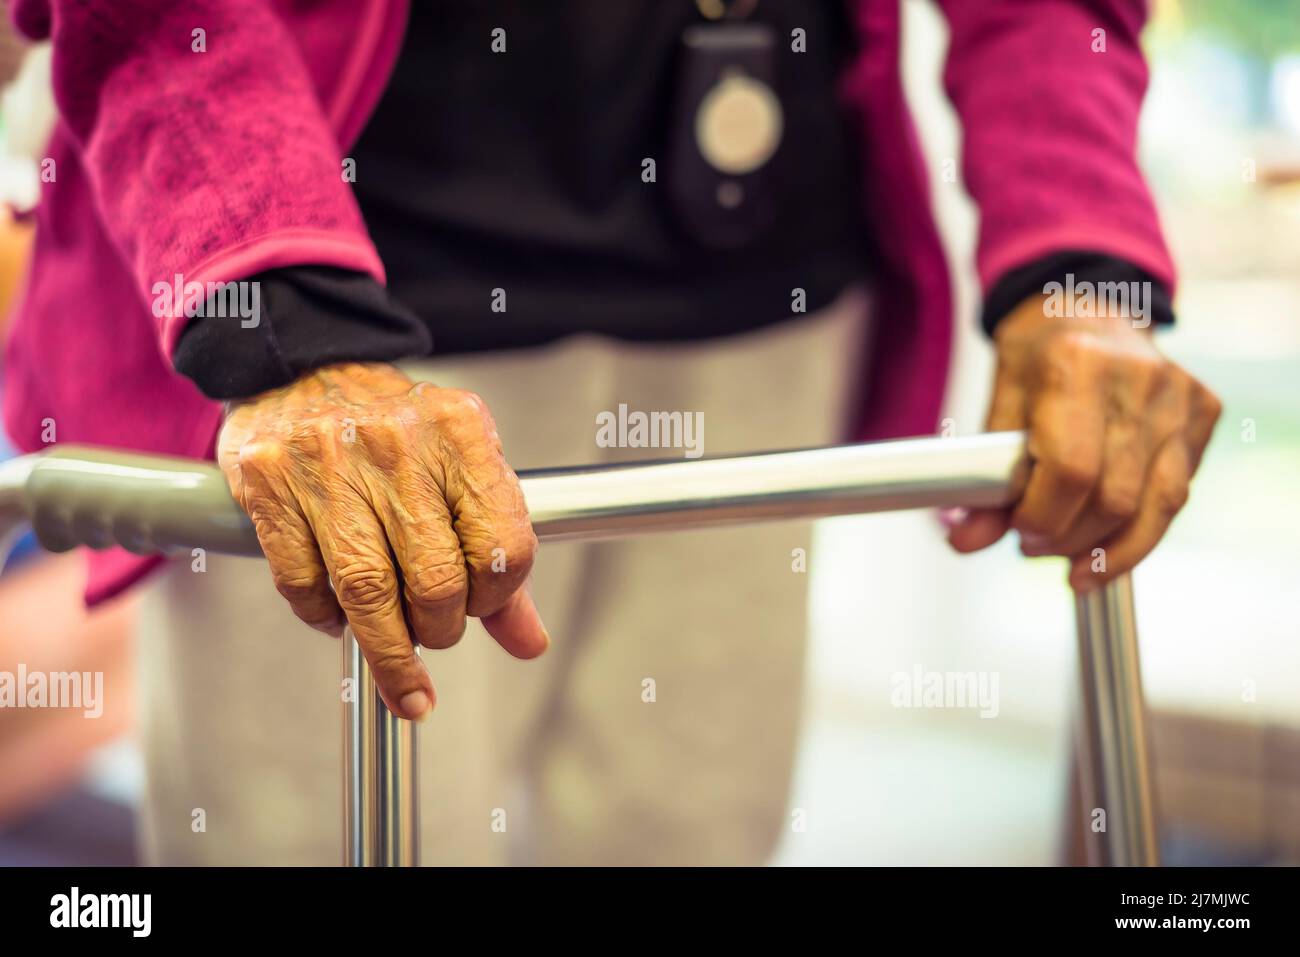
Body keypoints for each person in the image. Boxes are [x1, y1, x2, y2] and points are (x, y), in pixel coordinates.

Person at [2, 0, 1220, 865]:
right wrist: (277, 317)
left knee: (688, 834)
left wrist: (1080, 262)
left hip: (757, 316)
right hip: (350, 320)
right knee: (321, 843)